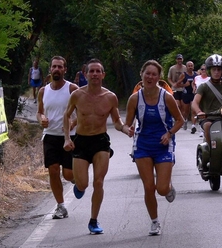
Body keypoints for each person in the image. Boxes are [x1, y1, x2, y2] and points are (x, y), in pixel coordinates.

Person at [63, 58, 126, 234]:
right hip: (81, 142)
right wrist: (67, 138)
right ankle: (79, 186)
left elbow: (116, 120)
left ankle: (93, 221)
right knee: (83, 184)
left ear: (103, 75)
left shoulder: (110, 97)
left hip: (100, 142)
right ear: (85, 74)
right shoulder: (77, 95)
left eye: (98, 71)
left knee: (98, 182)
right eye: (91, 71)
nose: (95, 74)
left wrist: (125, 129)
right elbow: (66, 116)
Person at [121, 60, 183, 236]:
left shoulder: (167, 97)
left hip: (163, 144)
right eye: (147, 73)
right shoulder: (135, 99)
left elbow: (180, 121)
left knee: (161, 189)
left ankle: (168, 187)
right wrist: (128, 130)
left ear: (158, 77)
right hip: (143, 145)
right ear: (141, 75)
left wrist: (169, 134)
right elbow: (126, 124)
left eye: (154, 74)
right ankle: (154, 222)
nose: (150, 77)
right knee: (149, 187)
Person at [36, 56, 78, 220]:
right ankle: (60, 206)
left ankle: (76, 179)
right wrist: (42, 120)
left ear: (65, 70)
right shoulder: (43, 91)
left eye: (60, 67)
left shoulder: (72, 89)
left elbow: (83, 111)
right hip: (50, 136)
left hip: (70, 137)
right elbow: (39, 112)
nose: (57, 69)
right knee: (53, 171)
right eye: (54, 67)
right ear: (50, 69)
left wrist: (73, 123)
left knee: (67, 174)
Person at [175, 61, 197, 130]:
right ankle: (185, 121)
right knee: (185, 111)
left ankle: (193, 125)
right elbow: (177, 84)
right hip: (186, 94)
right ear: (186, 67)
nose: (190, 67)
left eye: (191, 66)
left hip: (193, 94)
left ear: (193, 67)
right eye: (189, 66)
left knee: (193, 110)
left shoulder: (196, 75)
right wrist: (184, 85)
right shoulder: (183, 75)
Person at [192, 64, 210, 136]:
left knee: (205, 113)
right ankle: (196, 125)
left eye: (205, 69)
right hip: (198, 97)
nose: (203, 71)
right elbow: (193, 84)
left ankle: (202, 130)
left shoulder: (209, 79)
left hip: (206, 98)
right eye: (202, 69)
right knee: (198, 112)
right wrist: (194, 88)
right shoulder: (197, 78)